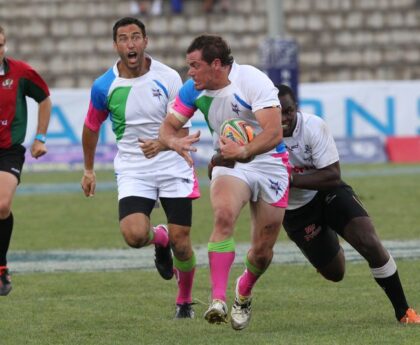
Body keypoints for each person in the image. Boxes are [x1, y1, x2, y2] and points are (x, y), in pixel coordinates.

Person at [159, 34, 289, 330]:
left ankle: (243, 293)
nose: (189, 72)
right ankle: (217, 299)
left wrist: (245, 150)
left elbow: (273, 133)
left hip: (269, 163)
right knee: (223, 215)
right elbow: (167, 128)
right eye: (188, 66)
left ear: (216, 64)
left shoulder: (251, 80)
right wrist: (173, 142)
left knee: (262, 250)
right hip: (230, 162)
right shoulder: (192, 90)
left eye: (195, 65)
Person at [80, 17, 200, 319]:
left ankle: (184, 301)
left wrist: (163, 144)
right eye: (123, 38)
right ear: (115, 45)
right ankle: (159, 238)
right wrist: (89, 170)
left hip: (173, 162)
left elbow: (183, 129)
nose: (130, 44)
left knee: (182, 242)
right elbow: (92, 126)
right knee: (134, 236)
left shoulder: (169, 77)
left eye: (136, 37)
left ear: (145, 42)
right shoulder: (104, 86)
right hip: (134, 168)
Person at [278, 83, 420, 324]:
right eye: (277, 112)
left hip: (327, 192)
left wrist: (290, 178)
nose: (284, 117)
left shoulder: (313, 126)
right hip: (296, 211)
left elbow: (332, 175)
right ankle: (328, 235)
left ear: (296, 109)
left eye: (288, 111)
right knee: (335, 273)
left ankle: (404, 312)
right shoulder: (261, 135)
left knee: (368, 241)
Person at [0, 25, 51, 296]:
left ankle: (1, 267)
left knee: (2, 204)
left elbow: (44, 98)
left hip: (8, 150)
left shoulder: (20, 73)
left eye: (0, 45)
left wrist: (40, 137)